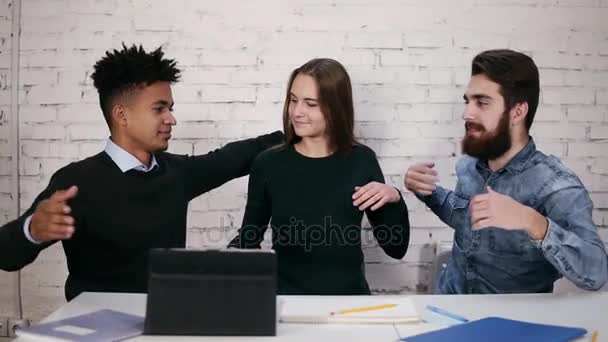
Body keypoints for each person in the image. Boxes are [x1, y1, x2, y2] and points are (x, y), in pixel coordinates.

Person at [0, 44, 283, 300]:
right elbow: (6, 254)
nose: (171, 119)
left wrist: (299, 131)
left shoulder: (177, 173)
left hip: (162, 323)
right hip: (96, 327)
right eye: (159, 109)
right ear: (121, 115)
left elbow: (233, 158)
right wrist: (32, 231)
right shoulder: (76, 182)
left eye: (170, 108)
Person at [404, 49, 608, 294]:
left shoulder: (557, 186)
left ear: (517, 112)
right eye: (468, 101)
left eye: (482, 103)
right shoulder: (470, 165)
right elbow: (465, 219)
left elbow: (596, 272)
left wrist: (532, 221)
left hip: (511, 323)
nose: (467, 113)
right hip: (448, 305)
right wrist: (427, 191)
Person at [228, 58, 410, 295]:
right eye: (293, 100)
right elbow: (249, 240)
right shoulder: (268, 163)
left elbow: (396, 248)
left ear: (336, 107)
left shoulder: (362, 161)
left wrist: (394, 197)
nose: (297, 112)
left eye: (310, 104)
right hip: (287, 303)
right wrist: (222, 264)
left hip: (350, 303)